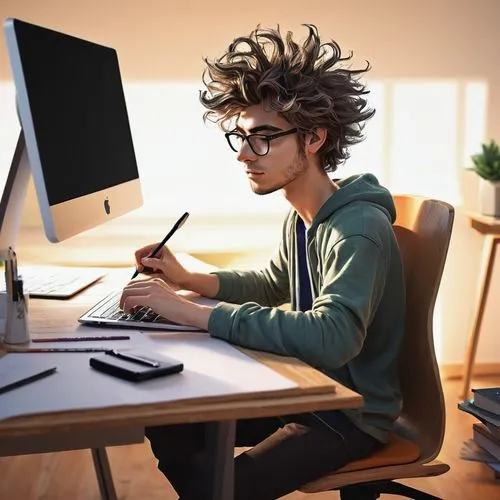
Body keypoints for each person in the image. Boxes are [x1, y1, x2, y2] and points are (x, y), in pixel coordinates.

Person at [120, 24, 405, 500]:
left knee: (217, 488)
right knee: (168, 419)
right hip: (304, 386)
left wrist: (196, 313)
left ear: (313, 138)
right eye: (241, 137)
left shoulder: (356, 229)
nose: (244, 154)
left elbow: (334, 337)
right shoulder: (303, 216)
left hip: (348, 412)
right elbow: (275, 283)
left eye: (263, 138)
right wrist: (190, 280)